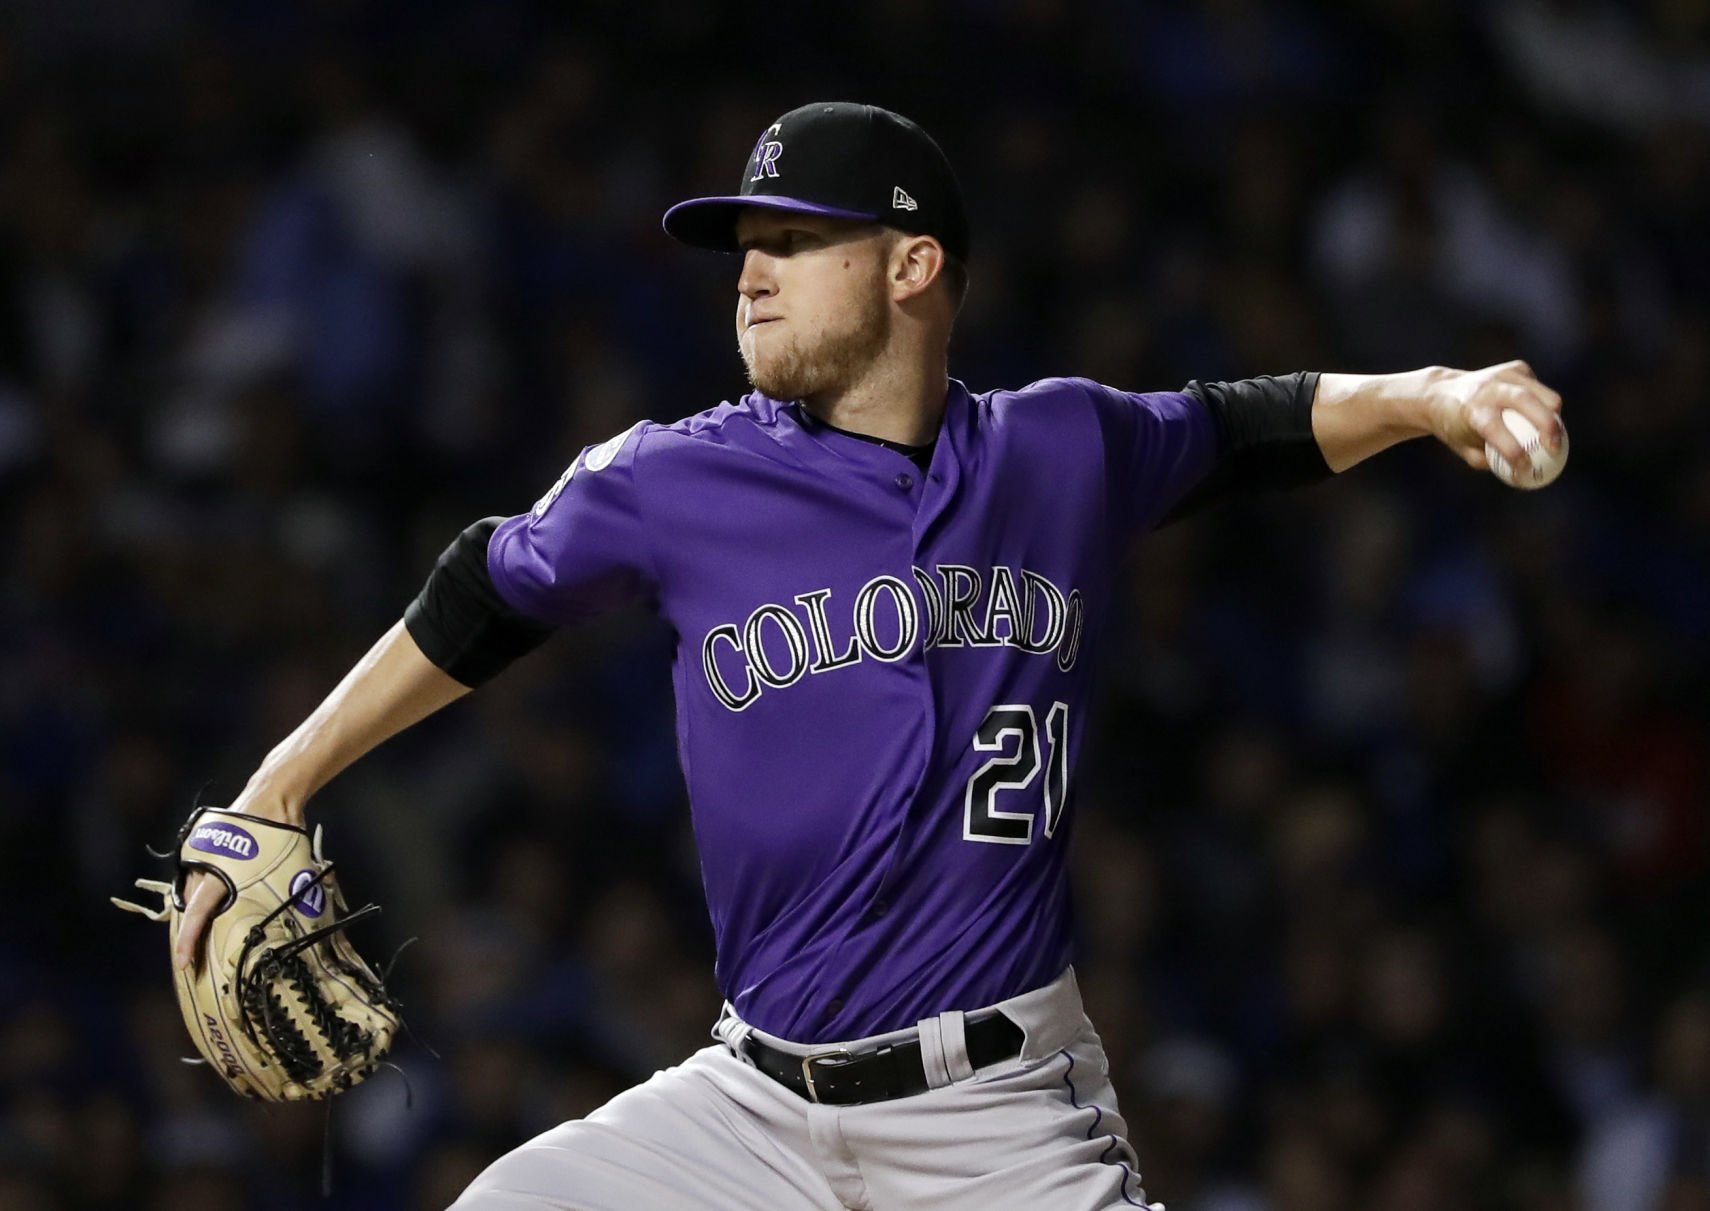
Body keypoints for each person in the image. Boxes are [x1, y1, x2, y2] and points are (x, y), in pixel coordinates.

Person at [172, 102, 1564, 1210]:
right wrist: (280, 785)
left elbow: (1251, 424)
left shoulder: (1055, 449)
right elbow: (486, 586)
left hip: (998, 1119)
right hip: (752, 1110)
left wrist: (1432, 393)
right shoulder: (675, 480)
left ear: (911, 265)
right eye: (744, 247)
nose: (752, 274)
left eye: (794, 239)